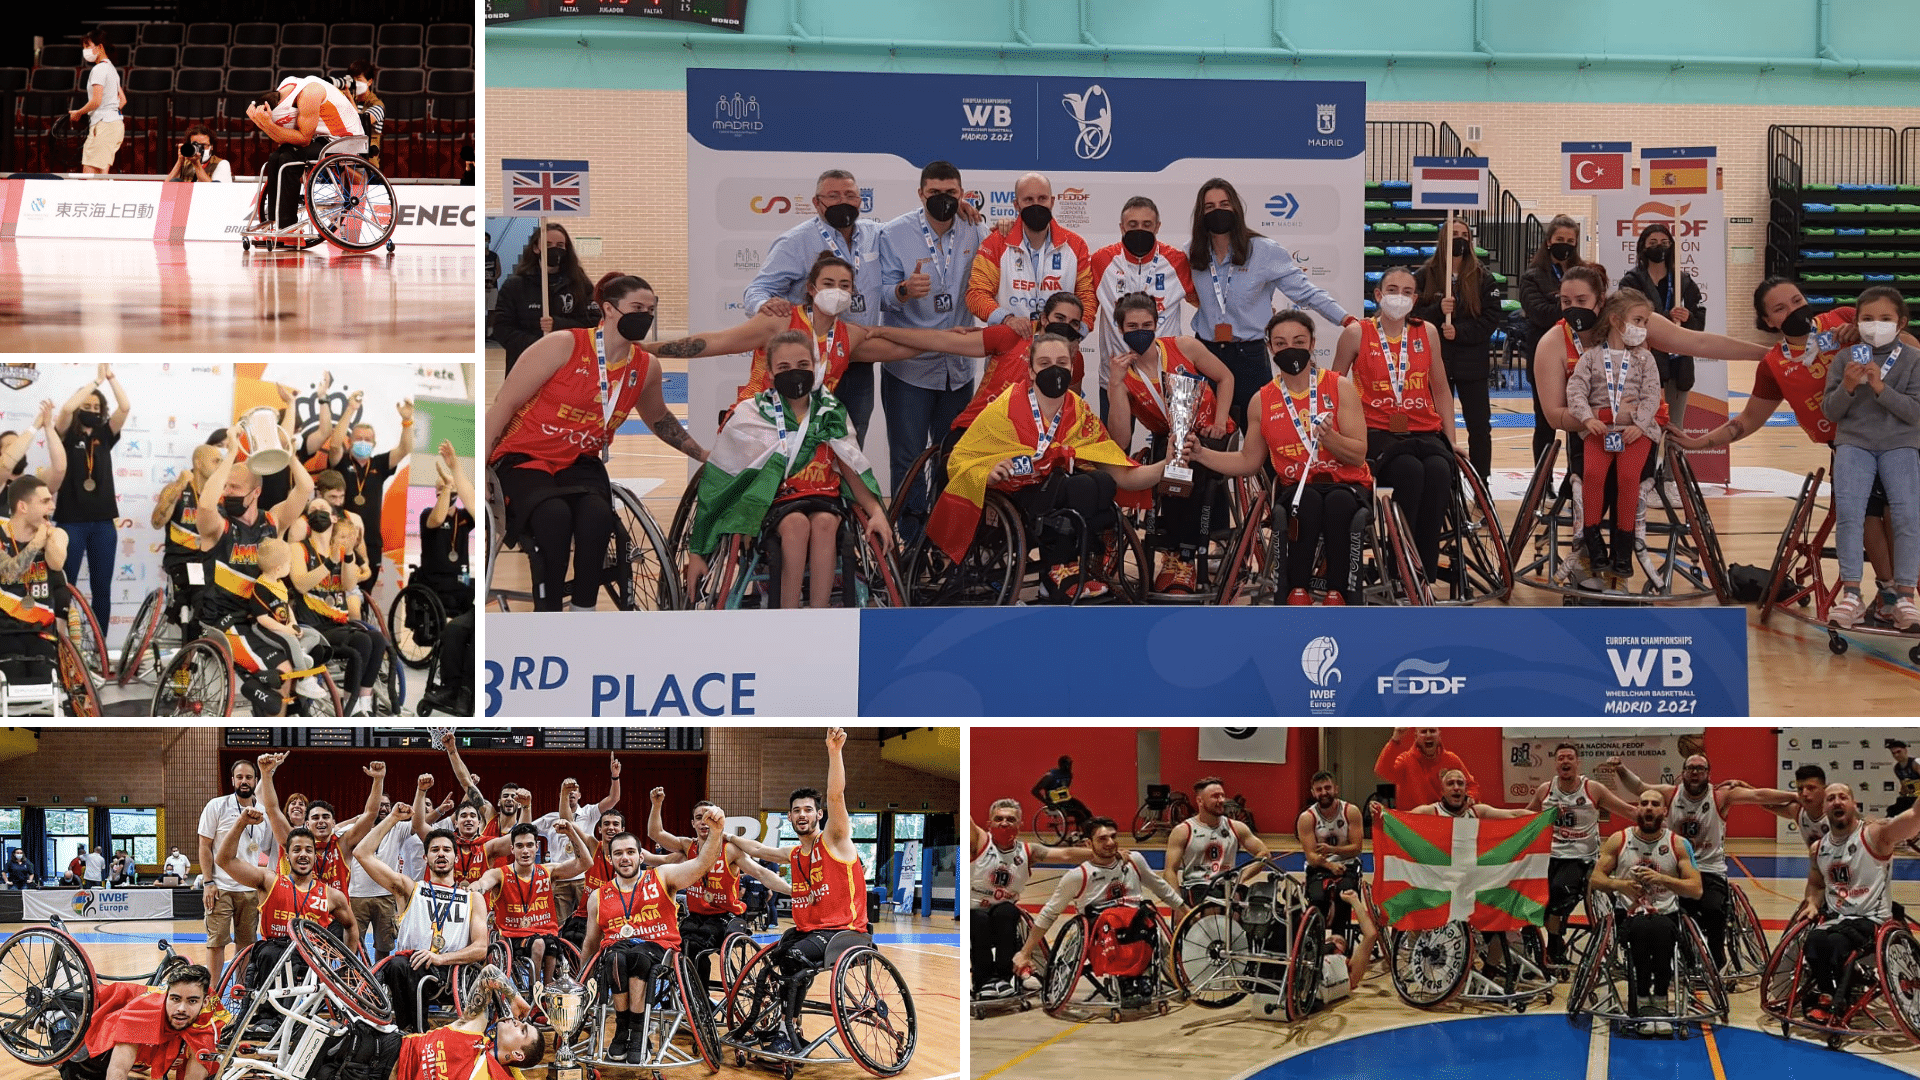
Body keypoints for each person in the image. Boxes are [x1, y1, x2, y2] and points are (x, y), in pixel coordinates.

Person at [488, 276, 766, 611]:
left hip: (580, 460)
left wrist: (701, 453)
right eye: (637, 308)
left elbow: (659, 418)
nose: (645, 316)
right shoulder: (562, 345)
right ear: (608, 308)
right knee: (553, 517)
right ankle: (547, 615)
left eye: (650, 309)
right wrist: (481, 468)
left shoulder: (645, 366)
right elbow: (504, 404)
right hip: (526, 455)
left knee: (597, 517)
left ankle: (584, 609)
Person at [1671, 278, 1911, 621]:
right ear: (1769, 321)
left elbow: (1910, 350)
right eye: (1780, 309)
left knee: (1897, 513)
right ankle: (1888, 594)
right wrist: (1701, 442)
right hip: (1847, 446)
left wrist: (1869, 334)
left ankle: (1903, 595)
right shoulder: (1773, 364)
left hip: (1894, 433)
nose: (1794, 310)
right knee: (1866, 517)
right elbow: (1749, 419)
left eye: (1797, 300)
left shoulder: (1844, 319)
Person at [925, 332, 1168, 601]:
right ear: (1030, 371)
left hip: (1054, 489)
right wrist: (987, 471)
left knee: (1103, 482)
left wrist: (1168, 465)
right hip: (1015, 494)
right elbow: (960, 458)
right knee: (1081, 485)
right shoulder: (1004, 408)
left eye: (1062, 362)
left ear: (1072, 367)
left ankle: (1073, 566)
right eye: (1044, 363)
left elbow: (1123, 474)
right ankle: (1058, 571)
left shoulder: (1079, 410)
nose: (1055, 370)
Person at [686, 330, 892, 610]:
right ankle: (789, 613)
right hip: (775, 501)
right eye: (784, 367)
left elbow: (852, 468)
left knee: (825, 523)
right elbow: (721, 482)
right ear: (770, 373)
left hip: (823, 497)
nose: (794, 373)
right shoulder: (751, 414)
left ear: (815, 368)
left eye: (803, 366)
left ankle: (819, 613)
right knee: (796, 524)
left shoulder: (830, 412)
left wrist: (877, 513)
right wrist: (699, 550)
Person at [1192, 311, 1370, 605]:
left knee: (1338, 503)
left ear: (1313, 343)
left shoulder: (1339, 386)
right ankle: (1295, 591)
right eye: (1281, 343)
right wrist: (1202, 454)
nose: (1290, 349)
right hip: (1297, 488)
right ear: (1270, 348)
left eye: (1298, 341)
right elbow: (1249, 461)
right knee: (1306, 503)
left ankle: (1338, 591)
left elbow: (1358, 454)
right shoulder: (1262, 399)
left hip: (1346, 484)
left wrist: (1330, 439)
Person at [720, 729, 871, 1055]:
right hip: (811, 930)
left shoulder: (834, 840)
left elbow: (836, 796)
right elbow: (758, 847)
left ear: (818, 815)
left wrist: (834, 751)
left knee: (792, 959)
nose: (802, 814)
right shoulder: (795, 854)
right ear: (789, 817)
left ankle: (790, 1033)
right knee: (770, 962)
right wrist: (726, 838)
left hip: (844, 931)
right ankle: (772, 1026)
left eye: (808, 809)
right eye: (796, 810)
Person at [1185, 178, 1353, 428]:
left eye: (1224, 204)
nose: (1217, 211)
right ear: (1201, 214)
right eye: (1209, 207)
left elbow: (1305, 291)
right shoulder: (1190, 253)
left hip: (1249, 355)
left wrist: (1346, 320)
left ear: (1236, 209)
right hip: (1206, 354)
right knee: (1207, 434)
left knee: (1261, 432)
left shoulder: (1263, 251)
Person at [1606, 753, 1796, 969]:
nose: (1695, 772)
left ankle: (1716, 958)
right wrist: (1620, 769)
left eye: (1700, 769)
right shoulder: (1671, 794)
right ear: (1683, 772)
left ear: (1708, 773)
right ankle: (1682, 959)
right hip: (1676, 869)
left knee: (1714, 911)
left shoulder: (1721, 796)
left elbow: (1760, 796)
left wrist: (1795, 796)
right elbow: (1639, 787)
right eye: (1691, 768)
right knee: (1670, 913)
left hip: (1709, 869)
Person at [1101, 291, 1235, 594]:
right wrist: (1114, 385)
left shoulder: (1183, 346)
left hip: (1213, 434)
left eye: (1146, 324)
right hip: (1171, 440)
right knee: (1172, 455)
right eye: (1132, 327)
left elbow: (1226, 378)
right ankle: (1174, 557)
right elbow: (1120, 439)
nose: (1140, 332)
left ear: (1157, 323)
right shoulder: (1124, 374)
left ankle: (1183, 558)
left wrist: (1219, 421)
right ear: (1120, 329)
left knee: (1187, 456)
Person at [747, 169, 887, 442]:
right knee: (802, 439)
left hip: (856, 360)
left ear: (861, 200)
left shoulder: (876, 234)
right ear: (816, 202)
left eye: (849, 195)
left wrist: (964, 214)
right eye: (832, 196)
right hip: (808, 361)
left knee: (851, 442)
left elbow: (915, 229)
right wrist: (767, 305)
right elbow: (757, 289)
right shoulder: (796, 241)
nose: (842, 202)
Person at [1333, 267, 1456, 578]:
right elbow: (1334, 389)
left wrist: (1452, 441)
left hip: (1425, 429)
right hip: (1377, 431)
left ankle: (1423, 572)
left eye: (1406, 292)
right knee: (1409, 472)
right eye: (1391, 289)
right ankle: (1399, 565)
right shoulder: (1356, 333)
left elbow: (1440, 388)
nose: (1398, 297)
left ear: (1414, 299)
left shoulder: (1427, 332)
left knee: (1440, 472)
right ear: (1378, 295)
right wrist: (1342, 440)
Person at [879, 161, 989, 504]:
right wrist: (903, 290)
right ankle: (910, 543)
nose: (943, 199)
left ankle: (943, 543)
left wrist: (1000, 224)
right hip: (909, 369)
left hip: (956, 370)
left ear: (962, 194)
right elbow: (878, 295)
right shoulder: (894, 233)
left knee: (952, 459)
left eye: (951, 194)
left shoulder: (974, 228)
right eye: (934, 194)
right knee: (907, 459)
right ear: (920, 194)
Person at [580, 816, 726, 1063]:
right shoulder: (598, 896)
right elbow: (591, 942)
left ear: (640, 857)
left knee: (637, 956)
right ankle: (622, 1029)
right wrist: (581, 980)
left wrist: (716, 832)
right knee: (615, 957)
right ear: (610, 858)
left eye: (630, 852)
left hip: (659, 949)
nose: (624, 858)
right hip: (618, 951)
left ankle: (638, 1032)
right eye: (618, 854)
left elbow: (702, 864)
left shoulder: (662, 876)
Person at [1820, 286, 1920, 629]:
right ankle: (1851, 595)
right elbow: (1830, 411)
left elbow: (1914, 413)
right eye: (1867, 319)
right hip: (1854, 444)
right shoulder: (1845, 359)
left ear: (1901, 322)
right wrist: (1847, 387)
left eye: (1885, 319)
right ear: (1857, 321)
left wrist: (1880, 389)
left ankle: (1905, 597)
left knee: (1907, 516)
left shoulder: (1912, 359)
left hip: (1900, 444)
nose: (1875, 325)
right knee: (1850, 513)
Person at [353, 803, 497, 1033]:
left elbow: (481, 949)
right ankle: (411, 1033)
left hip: (450, 974)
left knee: (403, 966)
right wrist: (392, 818)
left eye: (447, 850)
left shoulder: (472, 898)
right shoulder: (410, 889)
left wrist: (440, 959)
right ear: (425, 857)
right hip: (410, 968)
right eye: (435, 850)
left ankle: (412, 1034)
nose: (441, 853)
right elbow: (361, 853)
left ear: (455, 858)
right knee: (397, 964)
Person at [1011, 816, 1183, 1008]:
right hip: (1101, 931)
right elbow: (1049, 913)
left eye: (1113, 837)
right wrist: (1025, 952)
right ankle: (1128, 979)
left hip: (1137, 924)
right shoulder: (1078, 876)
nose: (1110, 843)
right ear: (1088, 843)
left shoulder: (1134, 860)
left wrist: (1184, 910)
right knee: (1113, 919)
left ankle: (1141, 976)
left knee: (1145, 914)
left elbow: (1160, 887)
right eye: (1102, 839)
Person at [1795, 784, 1920, 1025]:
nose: (1837, 802)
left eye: (1843, 797)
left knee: (1835, 941)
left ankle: (1840, 994)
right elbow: (1816, 884)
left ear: (1854, 805)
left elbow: (1914, 818)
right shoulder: (1819, 848)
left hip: (1872, 921)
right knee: (1813, 939)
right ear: (1824, 809)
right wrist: (1811, 903)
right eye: (1831, 799)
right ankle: (1828, 994)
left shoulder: (1875, 835)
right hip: (1838, 919)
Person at [1565, 289, 1663, 580]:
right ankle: (1595, 546)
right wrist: (1586, 418)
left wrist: (1639, 425)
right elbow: (1576, 390)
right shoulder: (1591, 358)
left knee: (1629, 479)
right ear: (1617, 321)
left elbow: (1651, 397)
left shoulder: (1646, 359)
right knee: (1593, 476)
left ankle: (1623, 550)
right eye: (1638, 320)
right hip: (1599, 431)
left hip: (1636, 433)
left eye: (1646, 322)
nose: (1642, 328)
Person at [646, 787, 788, 983]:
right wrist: (657, 805)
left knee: (694, 946)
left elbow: (761, 873)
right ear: (693, 823)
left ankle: (698, 999)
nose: (704, 821)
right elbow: (656, 833)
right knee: (673, 942)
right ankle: (684, 992)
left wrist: (792, 891)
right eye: (699, 817)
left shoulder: (730, 850)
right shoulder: (689, 846)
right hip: (696, 916)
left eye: (709, 817)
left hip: (725, 917)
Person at [1589, 789, 1702, 1028]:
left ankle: (1659, 999)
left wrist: (1663, 880)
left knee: (1660, 929)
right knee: (1642, 929)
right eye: (1643, 803)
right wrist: (1621, 885)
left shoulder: (1678, 844)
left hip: (1666, 914)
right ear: (1637, 809)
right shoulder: (1619, 839)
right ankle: (1642, 997)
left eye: (1654, 804)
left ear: (1664, 811)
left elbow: (1696, 889)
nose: (1648, 807)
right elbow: (1595, 879)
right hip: (1629, 915)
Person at [214, 809, 356, 988]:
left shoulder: (332, 896)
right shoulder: (269, 881)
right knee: (269, 954)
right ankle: (269, 1013)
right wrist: (241, 822)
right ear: (287, 857)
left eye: (308, 850)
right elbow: (224, 860)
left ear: (315, 856)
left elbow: (351, 926)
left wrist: (347, 965)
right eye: (296, 850)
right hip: (275, 952)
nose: (303, 854)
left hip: (311, 959)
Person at [1526, 743, 1637, 967]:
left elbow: (1627, 810)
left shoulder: (1592, 789)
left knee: (1558, 890)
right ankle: (1533, 947)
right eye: (1561, 758)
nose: (1565, 762)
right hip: (1550, 856)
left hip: (1581, 858)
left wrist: (1659, 823)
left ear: (1578, 763)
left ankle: (1554, 947)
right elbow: (1525, 819)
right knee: (1528, 895)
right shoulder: (1545, 791)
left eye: (1569, 758)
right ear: (1556, 764)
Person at [1411, 218, 1504, 482]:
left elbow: (1491, 318)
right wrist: (1437, 313)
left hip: (1472, 364)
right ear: (1443, 239)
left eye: (1464, 234)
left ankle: (1481, 481)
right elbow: (1413, 316)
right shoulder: (1425, 275)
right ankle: (1442, 479)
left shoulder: (1483, 277)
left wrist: (1460, 332)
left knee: (1479, 427)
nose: (1459, 238)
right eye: (1454, 234)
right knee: (1435, 423)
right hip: (1436, 363)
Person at [970, 800, 1090, 1001]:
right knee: (979, 918)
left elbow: (1067, 854)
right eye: (998, 819)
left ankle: (1003, 978)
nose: (1004, 823)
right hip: (974, 914)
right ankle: (984, 981)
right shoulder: (980, 843)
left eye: (1011, 819)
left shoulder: (1028, 851)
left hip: (1004, 916)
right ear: (989, 823)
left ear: (1020, 825)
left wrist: (1108, 853)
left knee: (1008, 912)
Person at [1090, 196, 1198, 416]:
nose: (1140, 230)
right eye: (1133, 225)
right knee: (1116, 448)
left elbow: (1205, 302)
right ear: (1121, 228)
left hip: (1168, 376)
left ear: (1157, 227)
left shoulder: (1176, 260)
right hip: (1118, 376)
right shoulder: (1102, 260)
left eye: (1147, 225)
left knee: (1177, 447)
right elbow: (1082, 300)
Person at [966, 172, 1098, 349]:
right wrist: (1007, 318)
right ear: (1016, 205)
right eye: (1028, 199)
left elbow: (1087, 297)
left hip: (1058, 353)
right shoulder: (996, 243)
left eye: (1042, 198)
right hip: (1008, 353)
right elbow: (976, 294)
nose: (1036, 205)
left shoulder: (1075, 245)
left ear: (1052, 201)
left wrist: (1077, 334)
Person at [472, 814, 593, 989]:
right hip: (513, 937)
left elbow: (586, 863)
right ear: (512, 849)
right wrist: (476, 887)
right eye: (520, 846)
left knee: (550, 943)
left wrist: (571, 833)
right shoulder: (500, 873)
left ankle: (547, 990)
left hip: (547, 937)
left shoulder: (547, 871)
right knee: (539, 944)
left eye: (530, 845)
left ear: (537, 847)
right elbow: (483, 882)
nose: (525, 851)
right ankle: (535, 992)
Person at [54, 365, 131, 632]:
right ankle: (62, 648)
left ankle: (99, 654)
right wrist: (94, 382)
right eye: (86, 405)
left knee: (102, 589)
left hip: (103, 524)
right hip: (70, 521)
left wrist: (111, 378)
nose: (92, 410)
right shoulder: (65, 433)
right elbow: (65, 410)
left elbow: (125, 407)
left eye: (97, 407)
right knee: (66, 586)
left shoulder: (104, 435)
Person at [287, 500, 380, 714]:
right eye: (312, 510)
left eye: (323, 511)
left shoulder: (341, 549)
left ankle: (363, 703)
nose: (317, 513)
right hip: (312, 625)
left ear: (334, 518)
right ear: (307, 518)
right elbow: (301, 585)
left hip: (337, 620)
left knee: (378, 640)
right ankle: (351, 707)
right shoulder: (298, 548)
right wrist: (329, 562)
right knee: (363, 641)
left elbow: (349, 585)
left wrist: (347, 556)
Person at [244, 76, 366, 237]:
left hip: (345, 139)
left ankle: (289, 226)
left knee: (289, 159)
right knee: (276, 157)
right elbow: (284, 138)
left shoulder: (309, 95)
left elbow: (303, 139)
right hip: (323, 137)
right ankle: (274, 222)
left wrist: (267, 125)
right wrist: (262, 122)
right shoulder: (284, 90)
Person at [256, 752, 384, 902]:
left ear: (334, 823)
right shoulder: (296, 843)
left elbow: (370, 814)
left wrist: (378, 780)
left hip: (336, 917)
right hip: (301, 913)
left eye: (326, 817)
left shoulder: (343, 844)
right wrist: (266, 774)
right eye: (315, 818)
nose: (321, 821)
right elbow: (272, 810)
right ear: (307, 824)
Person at [57, 965, 220, 1080]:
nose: (182, 1009)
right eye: (175, 999)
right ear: (166, 996)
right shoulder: (143, 1014)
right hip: (108, 1017)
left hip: (148, 1040)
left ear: (204, 1003)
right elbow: (118, 1069)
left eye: (192, 1001)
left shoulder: (205, 1027)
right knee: (74, 1062)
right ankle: (59, 1023)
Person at [1618, 223, 1704, 431]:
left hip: (1679, 362)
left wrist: (1688, 317)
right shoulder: (1632, 281)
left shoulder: (1682, 280)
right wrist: (1665, 317)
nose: (1660, 247)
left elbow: (1699, 319)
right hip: (1645, 362)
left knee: (1675, 427)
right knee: (1645, 425)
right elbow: (1627, 322)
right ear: (1643, 248)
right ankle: (1649, 463)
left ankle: (1671, 463)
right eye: (1653, 243)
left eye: (1665, 243)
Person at [229, 538, 330, 715]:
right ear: (278, 568)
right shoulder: (261, 588)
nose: (291, 566)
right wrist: (286, 630)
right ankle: (304, 678)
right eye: (289, 563)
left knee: (313, 635)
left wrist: (294, 625)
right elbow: (262, 619)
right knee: (290, 641)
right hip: (267, 629)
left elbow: (286, 607)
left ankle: (301, 655)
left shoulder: (279, 583)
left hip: (284, 626)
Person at [324, 399, 413, 594]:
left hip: (371, 541)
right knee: (337, 591)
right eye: (358, 438)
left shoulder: (379, 464)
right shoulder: (340, 461)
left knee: (364, 593)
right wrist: (350, 409)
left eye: (367, 439)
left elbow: (404, 449)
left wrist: (407, 421)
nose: (363, 442)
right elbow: (334, 445)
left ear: (374, 444)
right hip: (339, 537)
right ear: (350, 442)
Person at [391, 966, 543, 1080]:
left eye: (523, 1031)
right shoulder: (474, 1029)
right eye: (523, 1023)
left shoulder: (491, 1075)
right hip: (392, 1048)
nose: (517, 1022)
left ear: (517, 1054)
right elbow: (488, 973)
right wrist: (514, 997)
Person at [196, 759, 271, 987]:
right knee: (216, 942)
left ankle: (241, 992)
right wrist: (208, 881)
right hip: (220, 888)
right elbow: (204, 846)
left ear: (255, 781)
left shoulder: (264, 813)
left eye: (249, 777)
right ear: (232, 780)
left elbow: (266, 850)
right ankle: (212, 993)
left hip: (249, 890)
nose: (244, 781)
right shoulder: (216, 806)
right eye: (240, 777)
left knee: (246, 945)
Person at [1520, 216, 1587, 464]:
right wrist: (1572, 305)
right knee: (1545, 424)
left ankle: (1575, 478)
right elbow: (1539, 314)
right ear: (1549, 241)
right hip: (1546, 359)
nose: (1565, 245)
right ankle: (1543, 480)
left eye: (1571, 241)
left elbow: (1591, 310)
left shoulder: (1584, 274)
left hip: (1581, 356)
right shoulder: (1532, 276)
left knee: (1581, 421)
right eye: (1560, 239)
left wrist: (1559, 301)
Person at [491, 222, 598, 372]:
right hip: (526, 366)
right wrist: (540, 345)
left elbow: (593, 321)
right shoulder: (515, 285)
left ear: (566, 249)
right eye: (547, 244)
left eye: (560, 245)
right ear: (536, 248)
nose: (554, 249)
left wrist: (558, 325)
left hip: (568, 365)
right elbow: (502, 329)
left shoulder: (579, 283)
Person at [534, 755, 621, 926]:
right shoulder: (550, 819)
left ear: (580, 794)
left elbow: (613, 799)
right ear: (560, 795)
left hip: (584, 878)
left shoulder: (590, 812)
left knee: (590, 923)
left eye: (574, 789)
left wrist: (615, 776)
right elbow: (526, 830)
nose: (571, 792)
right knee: (558, 925)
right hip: (560, 878)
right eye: (567, 789)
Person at [1165, 777, 1271, 908]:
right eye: (1215, 796)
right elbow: (1170, 871)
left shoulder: (1236, 827)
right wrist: (1178, 906)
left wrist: (1241, 877)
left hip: (1227, 886)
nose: (1221, 800)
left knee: (1265, 907)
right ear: (1200, 800)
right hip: (1197, 886)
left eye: (1222, 796)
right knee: (1214, 908)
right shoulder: (1183, 830)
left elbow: (1264, 854)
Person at [0, 475, 68, 674]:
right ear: (23, 507)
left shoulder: (57, 534)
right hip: (4, 629)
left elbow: (57, 563)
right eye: (45, 501)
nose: (53, 507)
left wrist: (48, 539)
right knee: (13, 671)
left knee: (43, 673)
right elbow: (9, 573)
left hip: (40, 630)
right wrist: (36, 543)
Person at [152, 446, 220, 642]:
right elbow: (156, 522)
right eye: (216, 461)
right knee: (203, 594)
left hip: (210, 561)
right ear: (198, 463)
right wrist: (179, 487)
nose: (221, 466)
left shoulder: (220, 494)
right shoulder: (178, 489)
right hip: (183, 559)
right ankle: (187, 658)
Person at [415, 441, 476, 619]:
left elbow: (473, 502)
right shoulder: (427, 514)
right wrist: (448, 487)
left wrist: (455, 474)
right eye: (440, 488)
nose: (446, 491)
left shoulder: (465, 516)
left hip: (461, 579)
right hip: (435, 582)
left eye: (450, 487)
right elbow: (438, 518)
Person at [1297, 772, 1363, 937]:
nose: (1324, 792)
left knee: (1343, 896)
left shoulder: (1351, 811)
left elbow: (1357, 848)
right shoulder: (1307, 818)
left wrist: (1333, 850)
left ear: (1336, 789)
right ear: (1313, 793)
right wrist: (1330, 865)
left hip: (1347, 864)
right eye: (1319, 789)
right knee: (1318, 898)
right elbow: (1311, 856)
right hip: (1319, 866)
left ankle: (1339, 942)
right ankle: (1316, 942)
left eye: (1327, 788)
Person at [345, 791, 407, 963]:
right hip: (357, 895)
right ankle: (352, 980)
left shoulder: (398, 828)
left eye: (387, 805)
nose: (384, 808)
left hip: (386, 895)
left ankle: (379, 980)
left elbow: (421, 823)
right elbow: (334, 830)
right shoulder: (357, 830)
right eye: (379, 805)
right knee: (353, 943)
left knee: (384, 945)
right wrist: (355, 820)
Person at [1373, 728, 1479, 810]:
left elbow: (1471, 785)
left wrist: (1470, 797)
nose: (1428, 735)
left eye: (1432, 731)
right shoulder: (1405, 760)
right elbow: (1382, 771)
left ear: (1439, 734)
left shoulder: (1452, 760)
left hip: (1443, 820)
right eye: (1424, 732)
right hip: (1413, 822)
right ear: (1416, 736)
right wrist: (1395, 739)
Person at [71, 31, 123, 175]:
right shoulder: (111, 69)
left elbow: (96, 100)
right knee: (101, 175)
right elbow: (122, 100)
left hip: (103, 126)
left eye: (88, 46)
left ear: (100, 47)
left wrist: (78, 112)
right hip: (115, 125)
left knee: (91, 176)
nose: (85, 50)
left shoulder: (99, 69)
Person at [0, 399, 69, 487]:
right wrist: (35, 426)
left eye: (19, 445)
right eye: (10, 446)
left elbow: (59, 470)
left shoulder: (34, 483)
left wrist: (48, 426)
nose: (18, 449)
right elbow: (5, 466)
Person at [1411, 769, 1530, 819]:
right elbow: (1399, 820)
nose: (1456, 787)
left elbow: (1514, 815)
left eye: (1460, 783)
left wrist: (1545, 817)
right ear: (1442, 791)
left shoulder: (1477, 811)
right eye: (1451, 783)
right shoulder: (1429, 812)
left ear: (1466, 790)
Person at [332, 61, 384, 170]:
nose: (355, 83)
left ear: (369, 82)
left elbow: (362, 122)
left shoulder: (377, 105)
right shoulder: (350, 101)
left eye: (359, 80)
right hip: (347, 156)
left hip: (367, 162)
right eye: (352, 80)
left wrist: (349, 99)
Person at [1030, 756, 1091, 843]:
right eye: (1067, 764)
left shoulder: (1069, 775)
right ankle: (1079, 833)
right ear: (1061, 765)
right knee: (1078, 813)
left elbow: (1064, 788)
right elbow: (1034, 791)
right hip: (1054, 801)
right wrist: (1047, 802)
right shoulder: (1050, 776)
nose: (1070, 767)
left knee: (1086, 811)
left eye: (1070, 764)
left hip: (1065, 799)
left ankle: (1082, 833)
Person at [164, 124, 230, 183]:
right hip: (186, 196)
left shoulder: (222, 164)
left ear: (211, 146)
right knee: (175, 181)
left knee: (216, 183)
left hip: (206, 196)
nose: (200, 148)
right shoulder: (185, 163)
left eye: (203, 145)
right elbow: (166, 187)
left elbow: (217, 191)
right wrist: (180, 161)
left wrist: (196, 164)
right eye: (195, 145)